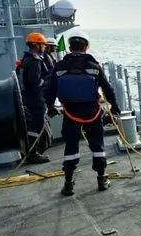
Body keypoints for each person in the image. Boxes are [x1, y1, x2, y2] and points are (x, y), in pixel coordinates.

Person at [45, 30, 121, 196]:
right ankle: (102, 180)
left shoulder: (59, 67)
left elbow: (50, 90)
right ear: (86, 47)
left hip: (70, 112)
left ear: (70, 47)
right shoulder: (94, 67)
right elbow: (107, 89)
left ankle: (68, 184)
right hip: (92, 112)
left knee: (71, 147)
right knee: (97, 146)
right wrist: (114, 106)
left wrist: (50, 106)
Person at [17, 32, 51, 164]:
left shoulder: (25, 59)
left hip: (27, 97)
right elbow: (35, 81)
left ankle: (31, 151)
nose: (44, 47)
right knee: (36, 125)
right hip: (35, 98)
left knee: (33, 124)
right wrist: (47, 81)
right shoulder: (35, 61)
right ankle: (32, 153)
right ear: (36, 45)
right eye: (43, 45)